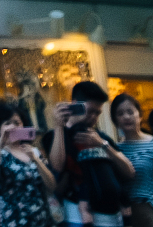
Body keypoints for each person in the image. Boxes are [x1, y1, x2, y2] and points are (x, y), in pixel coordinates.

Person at [46, 82, 130, 227]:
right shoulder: (54, 136)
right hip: (79, 217)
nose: (94, 117)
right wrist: (59, 126)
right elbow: (57, 166)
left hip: (114, 216)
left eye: (98, 113)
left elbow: (129, 172)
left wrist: (103, 144)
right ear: (74, 105)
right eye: (90, 111)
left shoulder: (101, 137)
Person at [0, 101, 54, 227]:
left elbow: (51, 185)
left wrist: (36, 160)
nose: (13, 127)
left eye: (17, 123)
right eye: (7, 123)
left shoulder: (33, 151)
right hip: (14, 221)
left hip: (42, 219)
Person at [108, 95, 153, 227]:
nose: (126, 117)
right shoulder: (115, 149)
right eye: (120, 114)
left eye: (130, 112)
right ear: (115, 120)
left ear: (140, 115)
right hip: (127, 215)